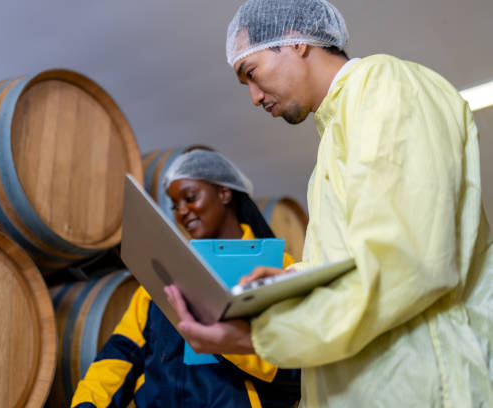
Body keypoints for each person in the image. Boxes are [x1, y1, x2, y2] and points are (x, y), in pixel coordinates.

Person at [165, 0, 493, 406]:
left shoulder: (386, 86)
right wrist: (285, 284)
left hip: (418, 388)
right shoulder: (335, 136)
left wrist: (259, 336)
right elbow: (353, 261)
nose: (252, 97)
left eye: (251, 73)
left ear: (294, 41)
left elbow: (407, 263)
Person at [71, 149, 301, 408]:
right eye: (175, 204)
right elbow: (120, 353)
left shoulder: (279, 268)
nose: (182, 211)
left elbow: (298, 366)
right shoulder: (165, 273)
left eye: (190, 198)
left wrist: (229, 342)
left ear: (224, 193)